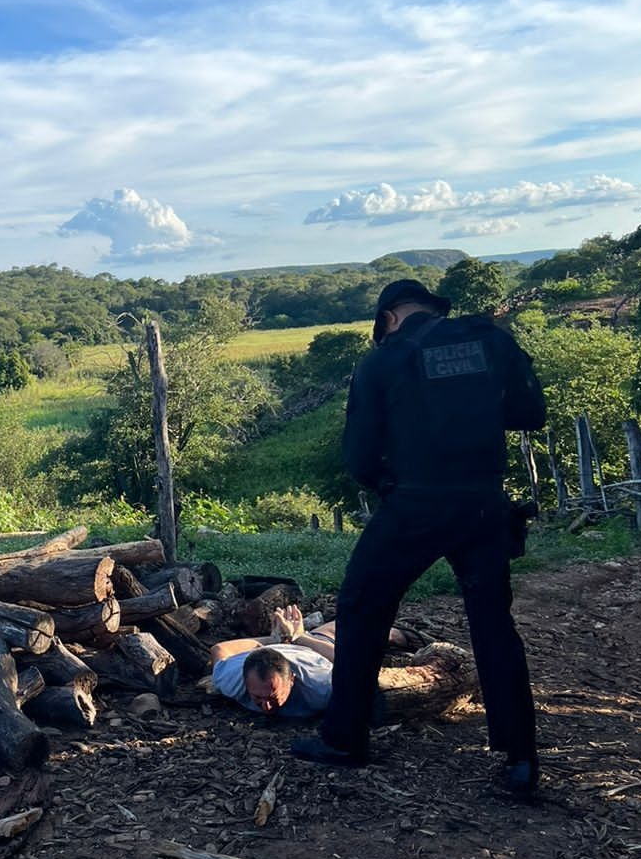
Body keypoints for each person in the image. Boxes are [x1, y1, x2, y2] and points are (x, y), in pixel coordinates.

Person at [290, 277, 547, 797]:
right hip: (484, 502)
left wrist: (390, 484)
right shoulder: (490, 339)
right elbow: (530, 413)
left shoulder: (382, 360)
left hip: (416, 503)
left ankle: (345, 739)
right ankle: (521, 762)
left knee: (362, 609)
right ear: (433, 308)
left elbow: (360, 458)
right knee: (494, 625)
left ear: (388, 318)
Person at [209, 606, 414, 717]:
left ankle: (412, 633)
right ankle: (286, 635)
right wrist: (270, 641)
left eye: (273, 698)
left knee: (378, 632)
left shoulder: (321, 686)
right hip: (270, 649)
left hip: (314, 647)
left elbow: (350, 664)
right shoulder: (232, 681)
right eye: (258, 698)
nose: (267, 707)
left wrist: (300, 637)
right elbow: (220, 649)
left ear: (292, 681)